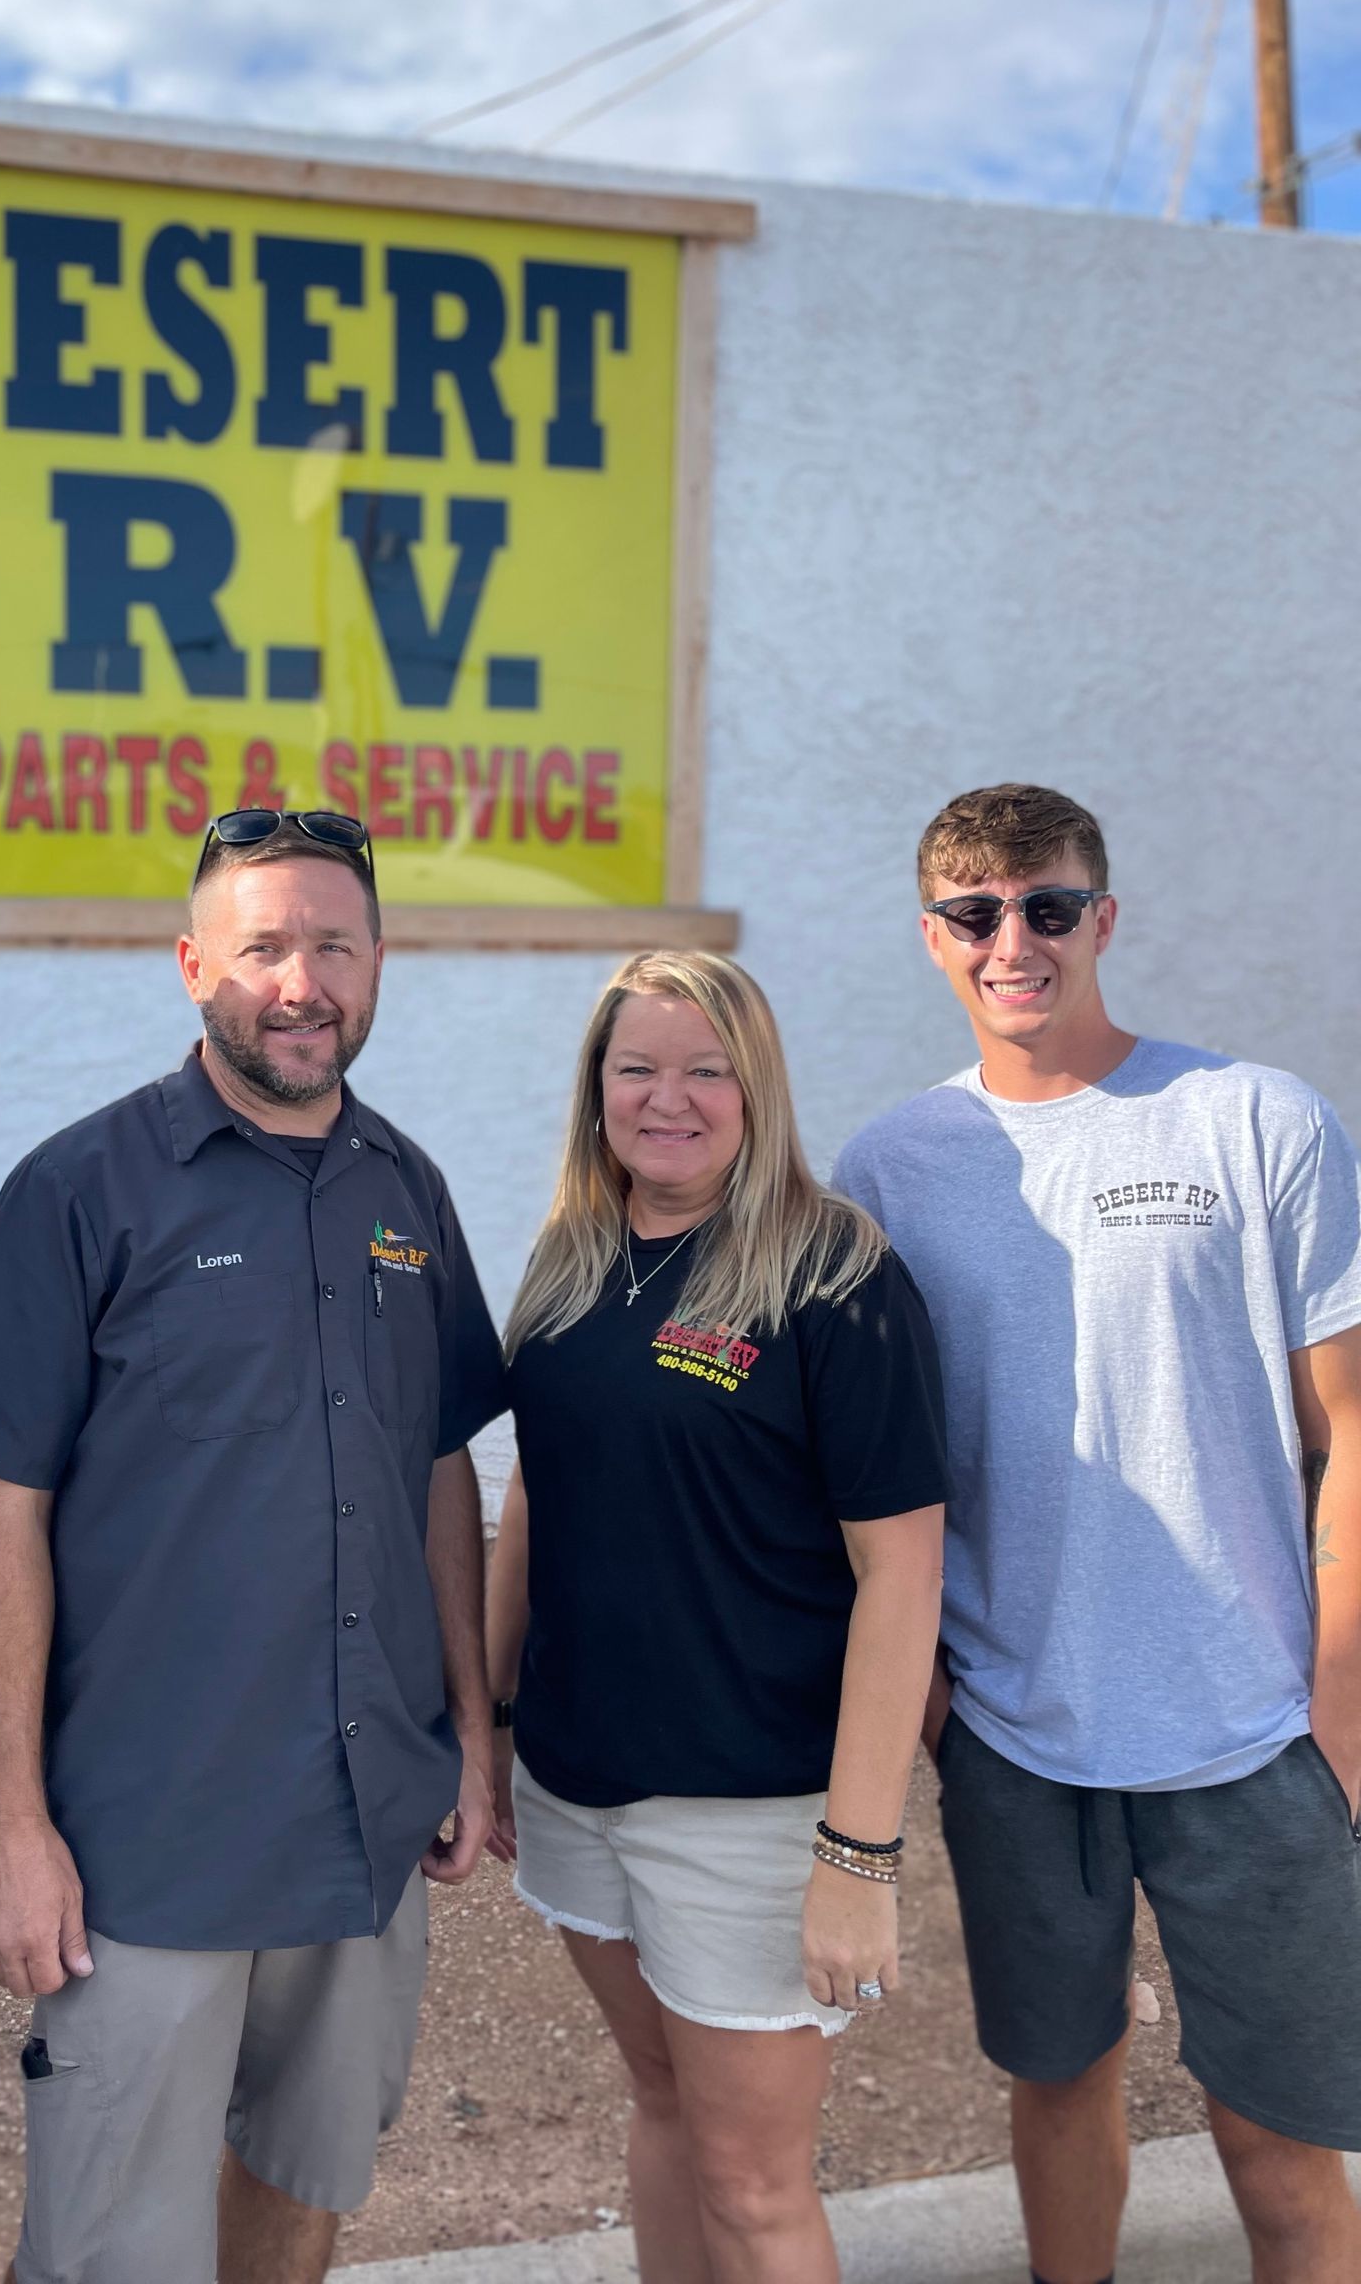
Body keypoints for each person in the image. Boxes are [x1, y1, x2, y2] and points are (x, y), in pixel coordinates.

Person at [0, 806, 505, 2284]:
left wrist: (468, 1732)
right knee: (112, 2247)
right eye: (264, 949)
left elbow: (439, 1462)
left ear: (378, 966)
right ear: (195, 967)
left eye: (335, 947)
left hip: (363, 1818)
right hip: (151, 1839)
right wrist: (9, 1821)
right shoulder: (81, 1192)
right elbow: (1, 1509)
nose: (302, 984)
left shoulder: (408, 1189)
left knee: (305, 2185)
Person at [835, 780, 1361, 2284]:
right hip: (1017, 1741)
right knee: (1060, 2094)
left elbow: (1351, 1432)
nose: (1014, 942)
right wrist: (937, 1706)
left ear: (1102, 918)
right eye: (975, 915)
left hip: (1254, 1737)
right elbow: (879, 1470)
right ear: (933, 937)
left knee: (1279, 2150)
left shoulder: (1256, 1120)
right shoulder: (890, 1170)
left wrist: (1337, 1718)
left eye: (1047, 907)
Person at [486, 949, 947, 2284]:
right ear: (598, 1088)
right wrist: (497, 1720)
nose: (668, 1098)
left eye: (707, 1071)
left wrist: (859, 1854)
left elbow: (903, 1577)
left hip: (748, 1811)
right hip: (577, 1786)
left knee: (753, 2184)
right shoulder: (575, 1261)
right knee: (664, 2104)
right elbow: (534, 1498)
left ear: (759, 1088)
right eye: (637, 1068)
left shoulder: (836, 1278)